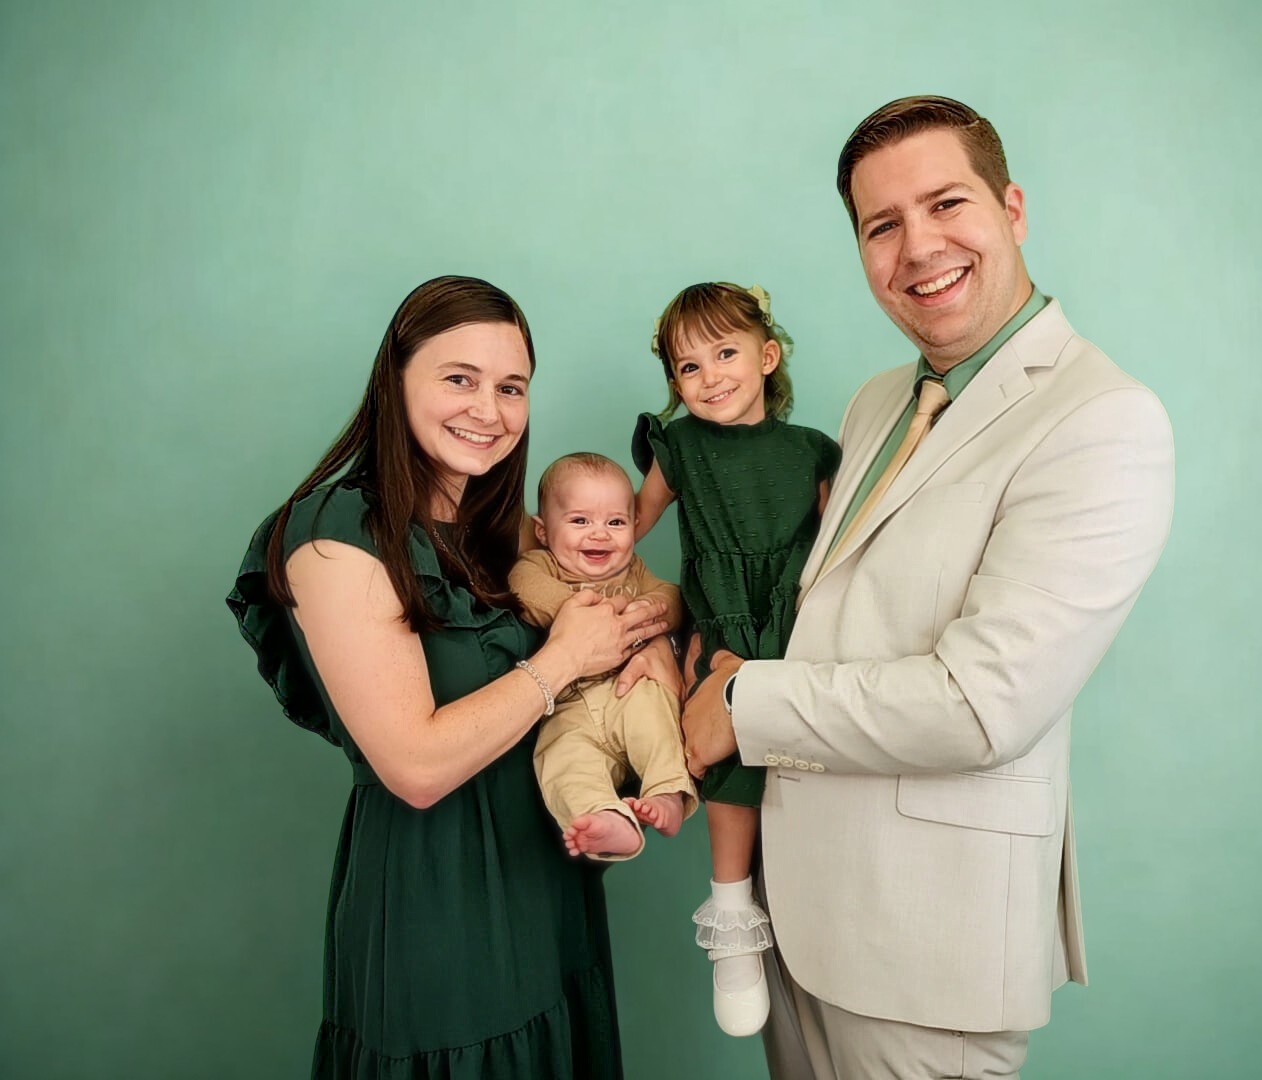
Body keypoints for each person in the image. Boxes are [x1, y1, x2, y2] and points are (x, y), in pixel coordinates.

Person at [680, 97, 1176, 1079]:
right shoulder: (877, 400)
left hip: (928, 948)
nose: (918, 248)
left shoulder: (1103, 418)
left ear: (1012, 209)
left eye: (947, 203)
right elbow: (821, 610)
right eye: (882, 225)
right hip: (798, 916)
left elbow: (982, 704)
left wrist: (741, 703)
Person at [226, 275, 679, 1079]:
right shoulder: (333, 535)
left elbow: (617, 595)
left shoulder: (500, 533)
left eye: (511, 387)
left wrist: (653, 629)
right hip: (439, 906)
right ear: (396, 378)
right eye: (460, 378)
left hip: (548, 887)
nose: (489, 410)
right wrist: (565, 659)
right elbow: (416, 765)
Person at [632, 283, 841, 1037]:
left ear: (768, 356)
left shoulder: (812, 450)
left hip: (799, 622)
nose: (711, 376)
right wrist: (555, 536)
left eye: (726, 353)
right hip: (722, 623)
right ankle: (731, 914)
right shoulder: (681, 448)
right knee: (725, 755)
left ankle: (816, 908)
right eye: (689, 367)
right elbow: (626, 523)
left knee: (810, 761)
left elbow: (847, 552)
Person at [509, 451, 697, 860]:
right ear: (542, 531)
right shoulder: (540, 565)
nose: (599, 535)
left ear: (634, 525)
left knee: (656, 715)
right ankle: (605, 817)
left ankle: (668, 792)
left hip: (628, 688)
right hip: (569, 705)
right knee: (562, 758)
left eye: (616, 522)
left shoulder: (634, 571)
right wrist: (588, 617)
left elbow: (671, 596)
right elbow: (524, 589)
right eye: (580, 521)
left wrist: (654, 609)